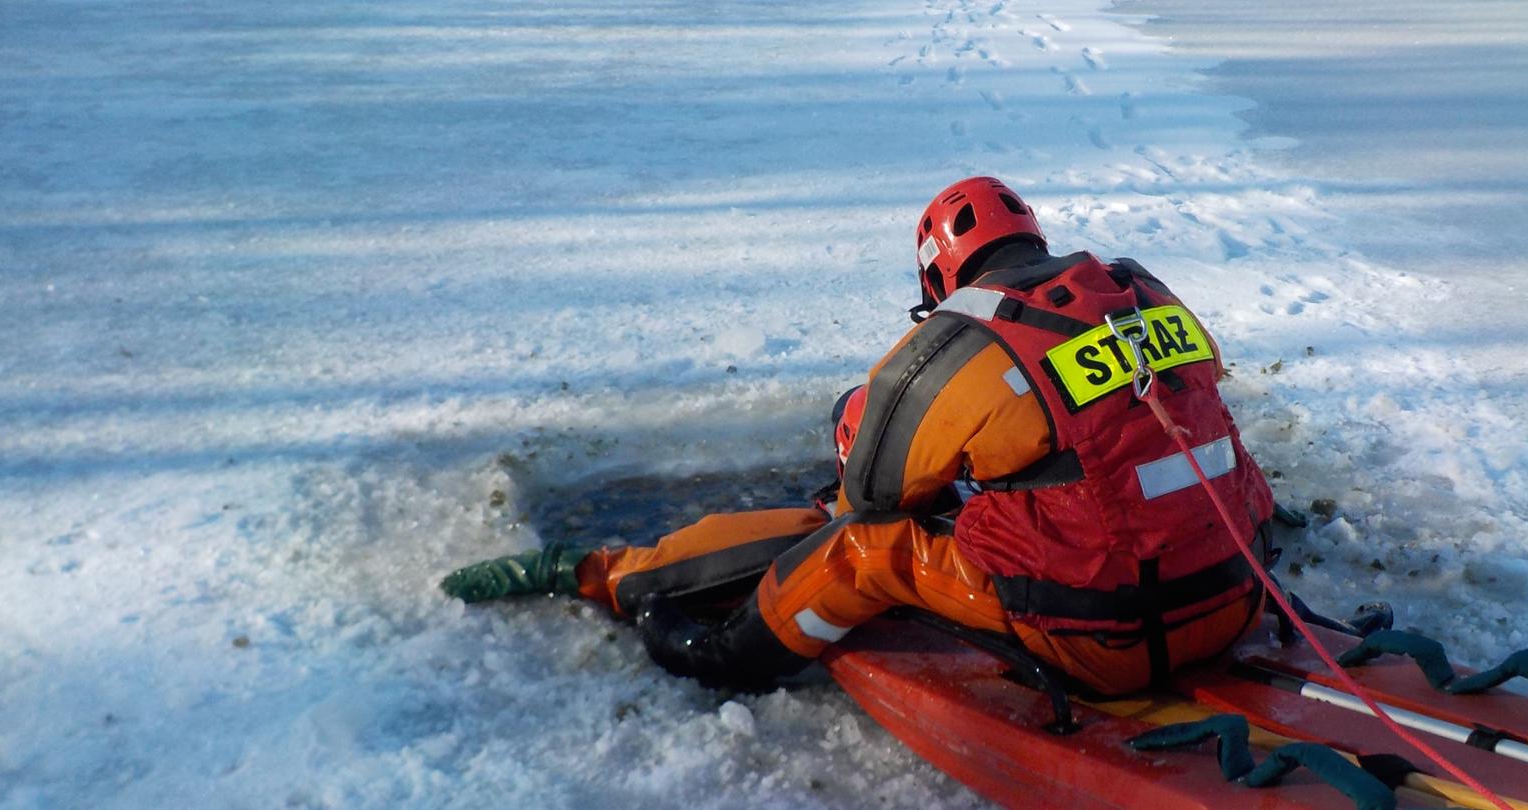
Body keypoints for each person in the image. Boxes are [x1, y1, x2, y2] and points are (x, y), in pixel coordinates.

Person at [442, 176, 1279, 695]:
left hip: (1111, 641)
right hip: (1237, 596)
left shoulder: (957, 340)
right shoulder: (1138, 287)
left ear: (938, 271)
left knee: (860, 549)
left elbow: (867, 503)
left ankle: (726, 657)